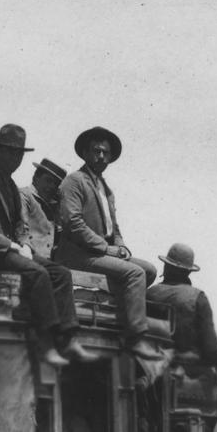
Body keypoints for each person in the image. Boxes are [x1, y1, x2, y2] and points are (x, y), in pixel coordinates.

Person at [0, 124, 98, 367]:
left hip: (6, 252)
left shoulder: (10, 186)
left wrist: (23, 244)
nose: (15, 158)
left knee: (60, 273)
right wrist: (12, 246)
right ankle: (46, 344)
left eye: (19, 153)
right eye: (10, 152)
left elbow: (21, 225)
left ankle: (69, 338)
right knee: (38, 273)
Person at [56, 126, 162, 360]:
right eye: (96, 151)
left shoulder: (106, 189)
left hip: (101, 253)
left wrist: (121, 247)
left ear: (111, 157)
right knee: (135, 274)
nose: (101, 156)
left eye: (105, 152)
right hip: (78, 254)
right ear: (84, 153)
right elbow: (73, 223)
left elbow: (114, 227)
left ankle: (121, 320)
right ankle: (135, 338)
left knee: (149, 270)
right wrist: (107, 249)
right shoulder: (74, 181)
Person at [147, 243, 217, 432]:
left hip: (157, 375)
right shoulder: (197, 298)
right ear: (188, 271)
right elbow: (211, 346)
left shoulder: (150, 294)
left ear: (166, 266)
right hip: (194, 377)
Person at [28, 158, 68, 258]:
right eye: (48, 180)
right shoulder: (24, 197)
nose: (51, 187)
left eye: (56, 184)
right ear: (35, 177)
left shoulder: (52, 206)